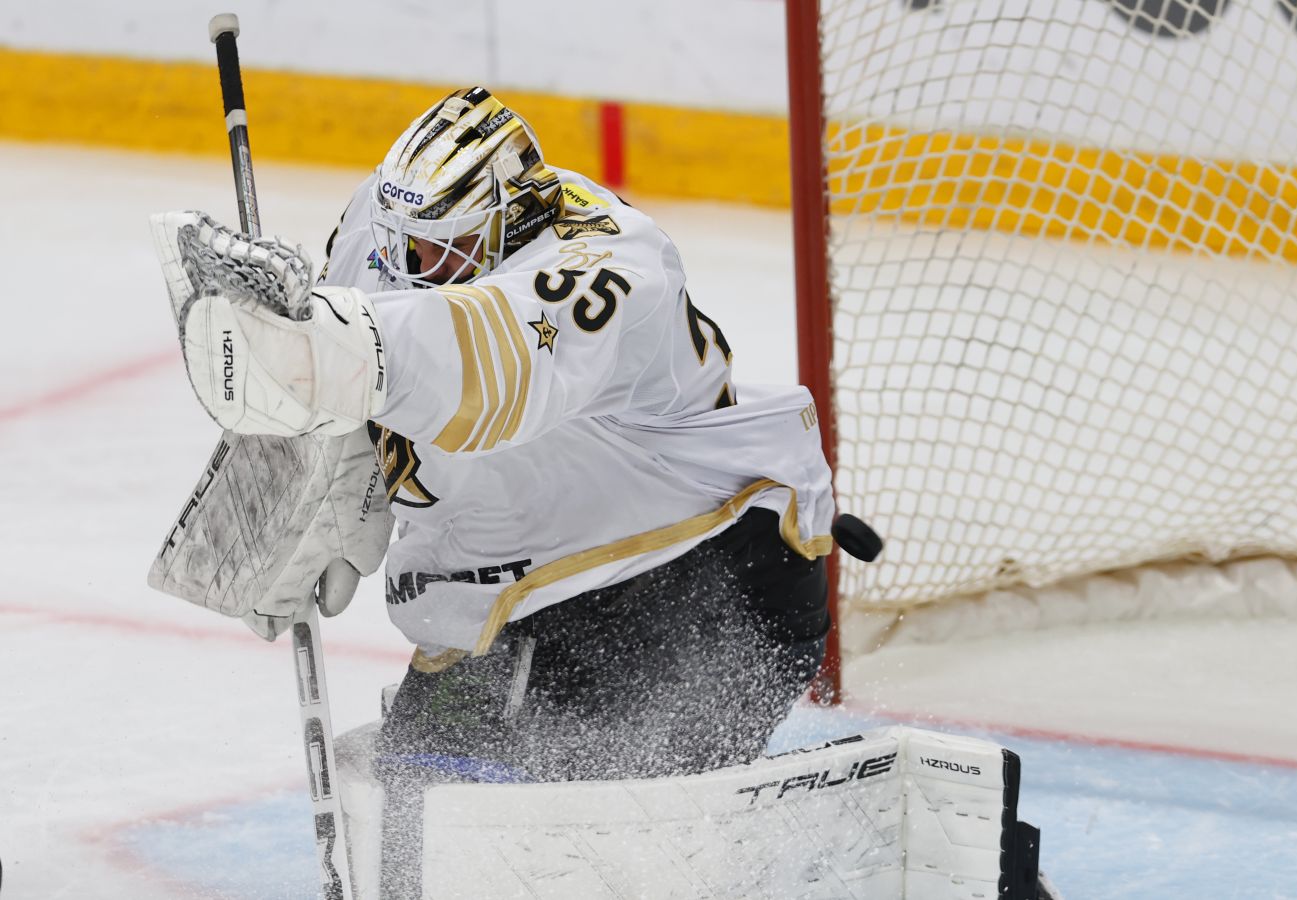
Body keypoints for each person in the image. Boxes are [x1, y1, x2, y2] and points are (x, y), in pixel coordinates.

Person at [153, 85, 834, 789]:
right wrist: (318, 467)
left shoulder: (609, 266)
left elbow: (483, 370)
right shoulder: (380, 225)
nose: (413, 264)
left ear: (517, 221)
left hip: (697, 573)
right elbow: (360, 376)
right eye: (405, 242)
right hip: (501, 596)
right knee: (418, 808)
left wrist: (320, 347)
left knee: (599, 830)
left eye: (446, 248)